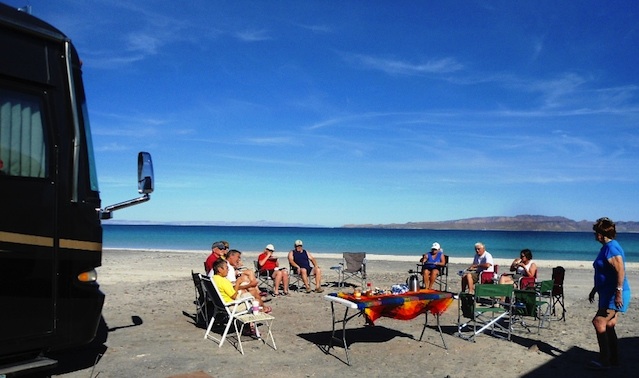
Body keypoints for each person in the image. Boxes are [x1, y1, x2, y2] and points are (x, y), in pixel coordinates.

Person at [587, 217, 631, 370]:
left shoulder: (611, 247)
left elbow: (620, 271)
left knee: (599, 322)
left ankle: (604, 361)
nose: (594, 236)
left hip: (614, 294)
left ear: (601, 233)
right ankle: (613, 359)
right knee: (610, 325)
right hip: (607, 293)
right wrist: (595, 288)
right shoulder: (607, 247)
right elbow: (604, 271)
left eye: (596, 233)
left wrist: (618, 292)